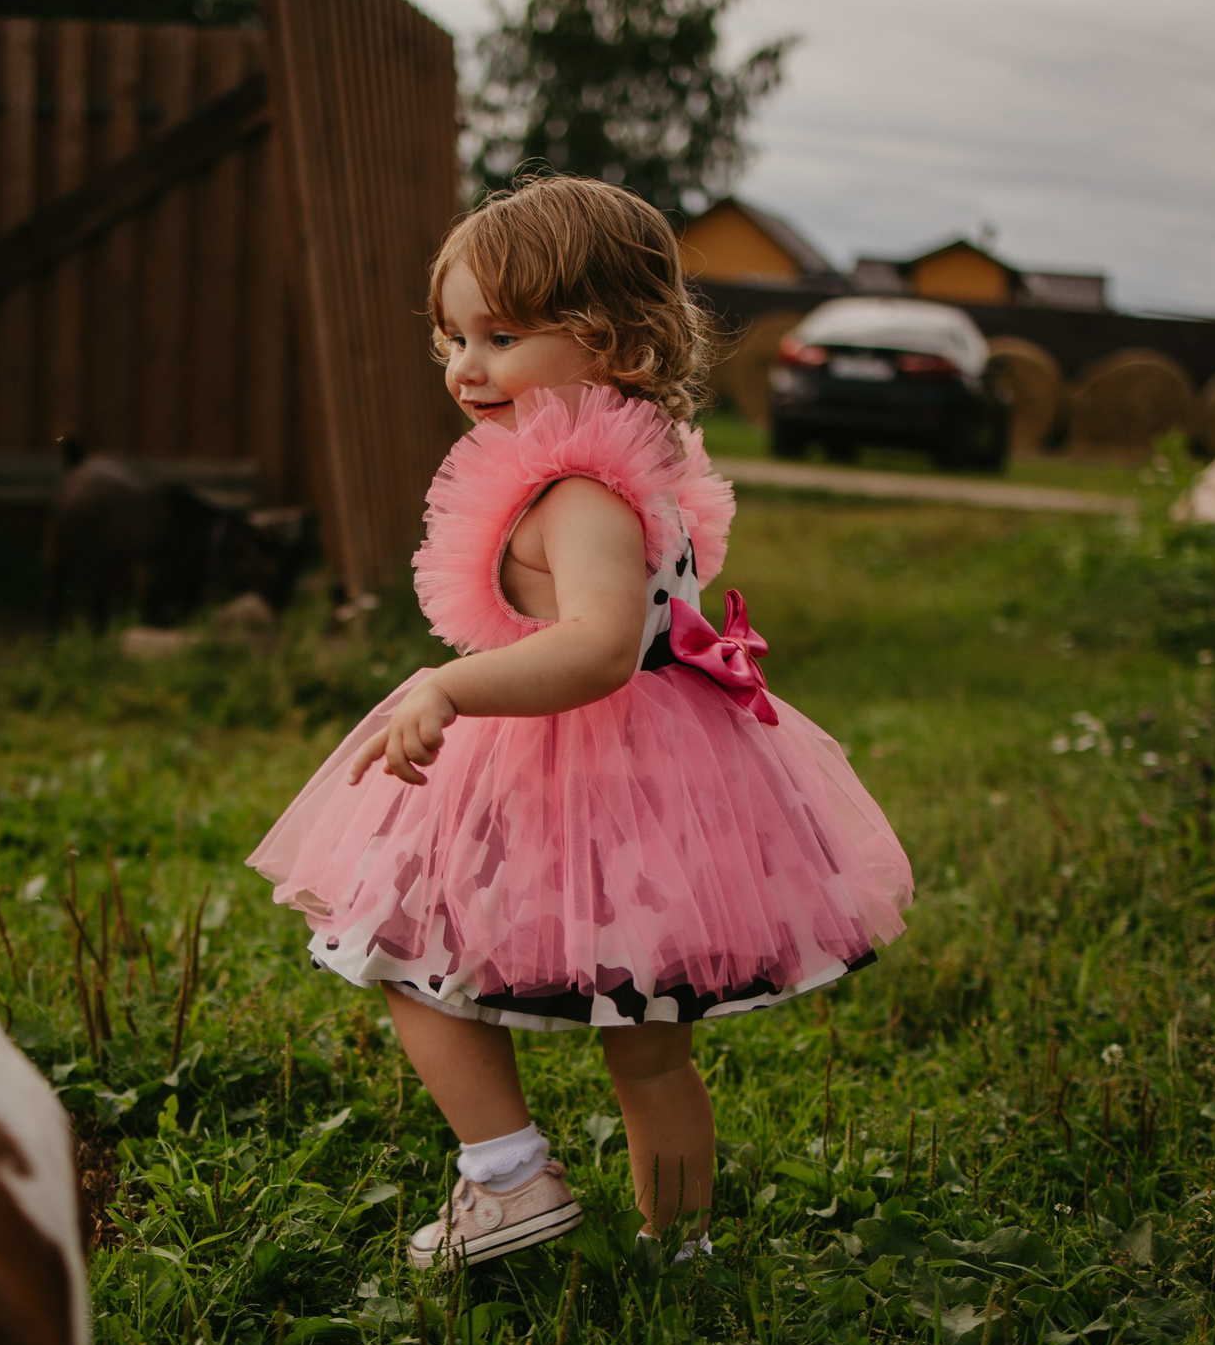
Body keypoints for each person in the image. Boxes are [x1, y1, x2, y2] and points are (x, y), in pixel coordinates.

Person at [247, 175, 913, 1269]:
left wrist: (448, 686)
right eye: (451, 337)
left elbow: (601, 645)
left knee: (405, 957)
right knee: (646, 1053)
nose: (466, 366)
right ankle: (674, 1249)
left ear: (614, 342)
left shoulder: (581, 492)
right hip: (653, 774)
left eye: (501, 336)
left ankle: (507, 1178)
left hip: (587, 766)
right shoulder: (622, 473)